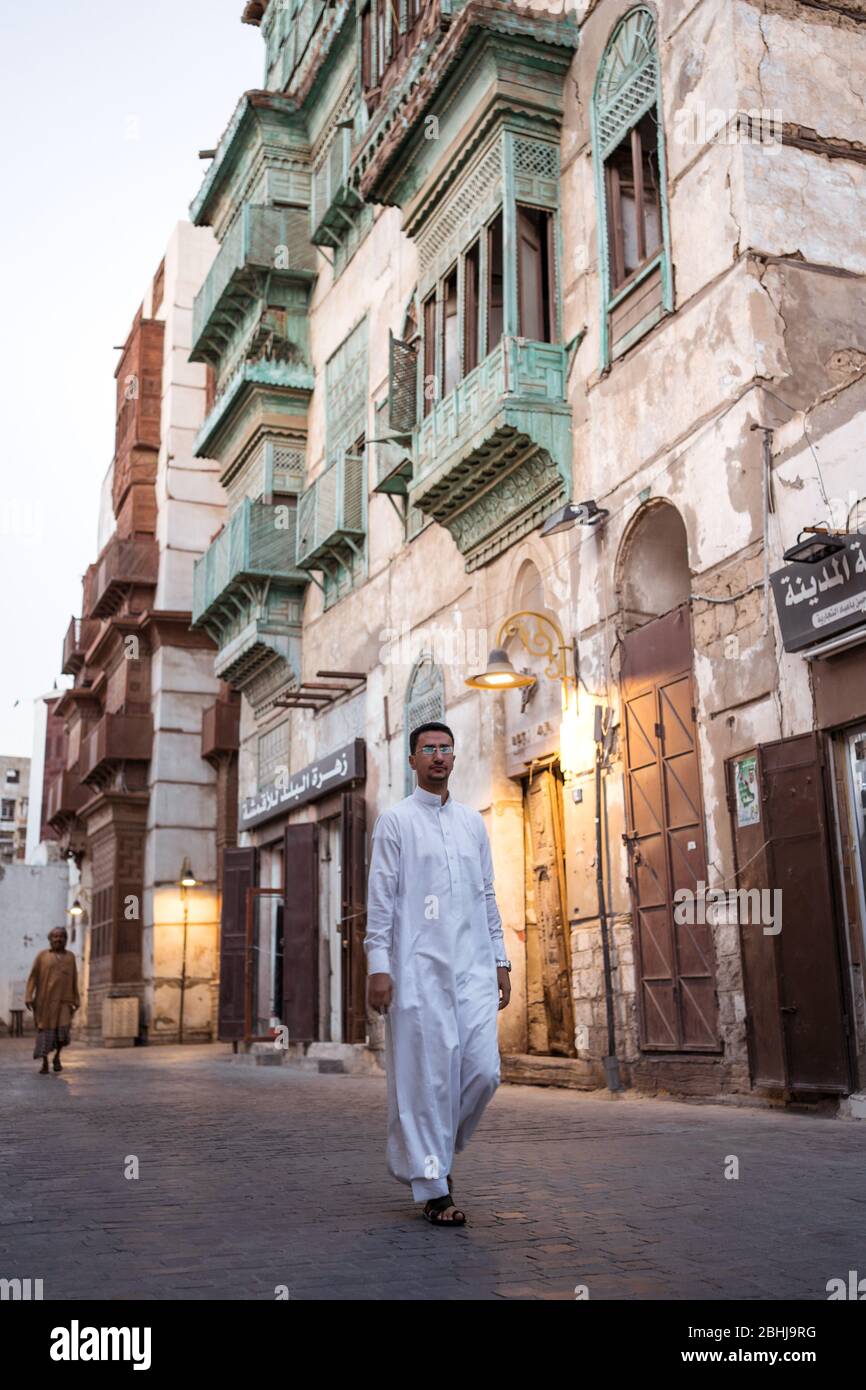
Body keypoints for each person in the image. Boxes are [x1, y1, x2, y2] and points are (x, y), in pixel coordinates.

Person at [365, 721, 511, 1226]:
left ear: (454, 757)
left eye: (446, 749)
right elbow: (380, 902)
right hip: (417, 971)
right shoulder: (396, 822)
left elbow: (488, 896)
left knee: (484, 1072)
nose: (438, 756)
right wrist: (378, 966)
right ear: (412, 761)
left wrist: (501, 959)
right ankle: (434, 1187)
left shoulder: (473, 823)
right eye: (428, 749)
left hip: (471, 970)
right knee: (427, 1081)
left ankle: (432, 1152)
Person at [25, 927, 80, 1074]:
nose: (58, 939)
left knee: (63, 1033)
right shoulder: (42, 956)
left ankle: (57, 1057)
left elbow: (74, 978)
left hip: (64, 1002)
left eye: (61, 936)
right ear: (50, 939)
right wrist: (29, 996)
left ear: (65, 939)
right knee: (45, 1034)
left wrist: (76, 998)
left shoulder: (71, 957)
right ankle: (44, 1063)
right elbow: (32, 977)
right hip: (45, 1003)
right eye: (55, 937)